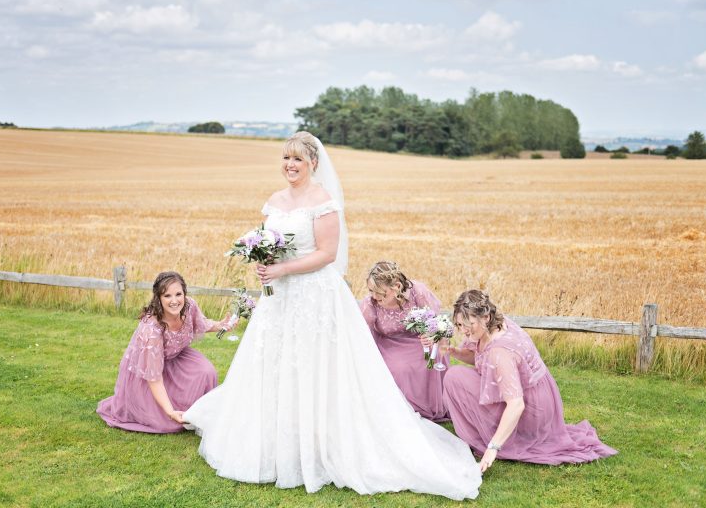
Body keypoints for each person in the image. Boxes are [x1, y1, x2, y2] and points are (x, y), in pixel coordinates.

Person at [184, 132, 481, 500]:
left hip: (315, 297)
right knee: (277, 364)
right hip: (279, 299)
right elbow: (270, 244)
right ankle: (278, 440)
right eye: (286, 158)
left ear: (313, 163)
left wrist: (282, 269)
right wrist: (264, 262)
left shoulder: (323, 202)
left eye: (298, 159)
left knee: (315, 365)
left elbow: (327, 254)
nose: (290, 165)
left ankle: (321, 441)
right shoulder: (273, 201)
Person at [440, 289, 617, 472]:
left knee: (454, 377)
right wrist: (454, 351)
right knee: (456, 375)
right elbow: (480, 358)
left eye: (468, 324)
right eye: (459, 325)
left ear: (485, 317)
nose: (463, 330)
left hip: (531, 410)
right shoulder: (496, 325)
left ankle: (489, 437)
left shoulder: (500, 352)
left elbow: (516, 404)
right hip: (537, 395)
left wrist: (492, 448)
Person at [97, 271, 235, 433]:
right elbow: (154, 378)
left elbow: (200, 323)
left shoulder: (189, 306)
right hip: (149, 368)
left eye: (178, 294)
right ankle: (169, 408)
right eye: (167, 296)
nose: (174, 301)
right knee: (166, 423)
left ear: (184, 293)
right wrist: (170, 412)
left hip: (176, 356)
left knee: (206, 371)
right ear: (159, 298)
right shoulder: (152, 329)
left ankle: (200, 410)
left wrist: (220, 325)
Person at [359, 261, 449, 421]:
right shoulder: (370, 304)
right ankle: (405, 408)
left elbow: (434, 321)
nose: (374, 296)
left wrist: (431, 336)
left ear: (397, 286)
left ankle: (432, 404)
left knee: (433, 356)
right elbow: (364, 337)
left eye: (380, 292)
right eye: (371, 291)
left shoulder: (417, 292)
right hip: (389, 344)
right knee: (400, 368)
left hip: (419, 340)